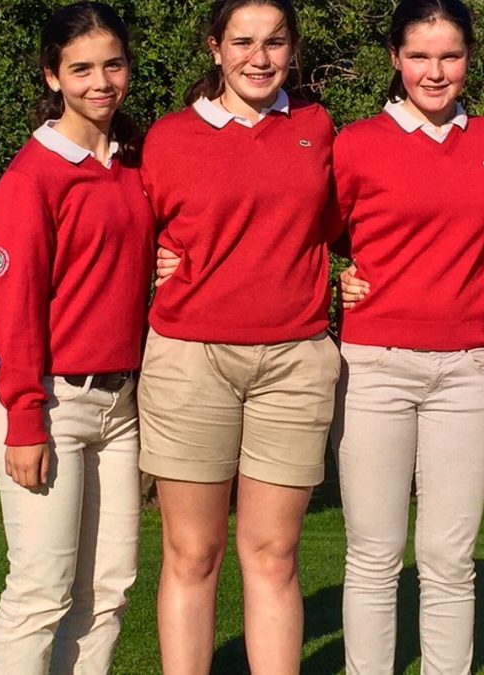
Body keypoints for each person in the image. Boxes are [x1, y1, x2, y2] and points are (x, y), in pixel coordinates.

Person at [135, 0, 340, 672]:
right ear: (215, 48)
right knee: (193, 554)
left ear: (293, 49)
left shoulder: (317, 128)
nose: (260, 57)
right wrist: (155, 258)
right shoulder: (167, 138)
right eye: (243, 42)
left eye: (275, 42)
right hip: (191, 360)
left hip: (294, 362)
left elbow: (352, 225)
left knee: (274, 555)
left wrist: (358, 274)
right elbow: (129, 232)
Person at [328, 1, 484, 672]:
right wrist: (338, 275)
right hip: (375, 364)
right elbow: (310, 231)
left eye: (451, 56)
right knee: (375, 556)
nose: (436, 72)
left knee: (448, 559)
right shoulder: (355, 143)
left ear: (468, 59)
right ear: (395, 60)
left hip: (466, 370)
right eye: (420, 56)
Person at [0, 2, 153, 673]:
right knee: (40, 594)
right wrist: (25, 418)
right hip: (49, 403)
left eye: (113, 64)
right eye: (81, 68)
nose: (100, 81)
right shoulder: (32, 178)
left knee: (109, 590)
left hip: (121, 407)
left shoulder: (133, 168)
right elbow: (16, 307)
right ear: (53, 76)